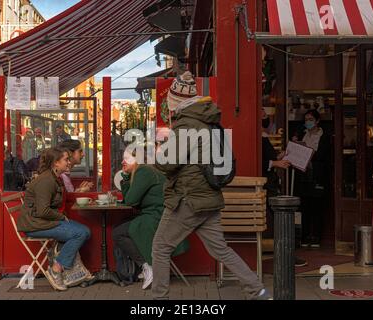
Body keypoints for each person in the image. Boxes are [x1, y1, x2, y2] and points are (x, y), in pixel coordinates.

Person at [152, 71, 271, 300]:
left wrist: (159, 152)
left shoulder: (187, 125)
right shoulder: (208, 121)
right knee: (221, 249)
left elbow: (167, 164)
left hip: (189, 199)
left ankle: (159, 300)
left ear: (176, 102)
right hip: (209, 197)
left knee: (160, 247)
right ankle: (258, 290)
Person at [112, 148, 189, 290]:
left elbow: (130, 200)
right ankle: (148, 265)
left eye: (127, 158)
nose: (123, 162)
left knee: (118, 233)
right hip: (157, 216)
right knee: (121, 228)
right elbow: (131, 200)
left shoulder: (143, 172)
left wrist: (126, 178)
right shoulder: (143, 172)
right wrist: (127, 177)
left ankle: (148, 266)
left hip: (157, 218)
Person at [17, 147, 91, 291]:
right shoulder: (46, 181)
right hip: (35, 225)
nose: (69, 162)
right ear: (56, 163)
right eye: (66, 160)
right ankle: (56, 269)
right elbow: (43, 210)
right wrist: (62, 217)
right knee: (80, 233)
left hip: (44, 221)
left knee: (85, 231)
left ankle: (57, 253)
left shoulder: (54, 178)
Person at [261, 109, 307, 267]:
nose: (265, 117)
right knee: (280, 216)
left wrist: (280, 156)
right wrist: (275, 163)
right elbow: (257, 161)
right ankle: (287, 255)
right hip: (265, 183)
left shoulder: (263, 136)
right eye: (262, 114)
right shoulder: (256, 137)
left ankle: (286, 253)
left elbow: (268, 157)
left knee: (278, 216)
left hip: (270, 182)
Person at [293, 109, 330, 248]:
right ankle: (304, 236)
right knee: (305, 206)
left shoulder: (324, 136)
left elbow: (322, 155)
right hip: (303, 173)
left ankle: (316, 237)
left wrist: (310, 153)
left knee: (317, 207)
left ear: (317, 121)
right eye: (306, 120)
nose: (308, 122)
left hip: (317, 174)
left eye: (310, 119)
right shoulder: (303, 134)